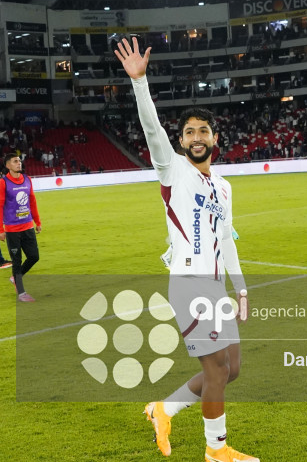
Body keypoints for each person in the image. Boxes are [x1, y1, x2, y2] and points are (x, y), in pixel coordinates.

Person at [115, 37, 256, 462]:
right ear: (181, 140)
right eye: (190, 132)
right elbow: (151, 129)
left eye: (203, 131)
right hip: (189, 284)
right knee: (215, 370)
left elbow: (227, 239)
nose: (197, 138)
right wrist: (140, 83)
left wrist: (242, 289)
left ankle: (164, 408)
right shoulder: (172, 168)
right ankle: (217, 451)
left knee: (231, 369)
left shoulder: (225, 187)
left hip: (215, 286)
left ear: (215, 137)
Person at [0, 153, 41, 302]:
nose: (18, 163)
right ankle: (21, 292)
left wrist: (37, 221)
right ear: (8, 165)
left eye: (19, 161)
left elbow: (32, 201)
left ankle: (15, 277)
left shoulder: (27, 179)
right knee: (16, 260)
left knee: (34, 256)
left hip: (27, 226)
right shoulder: (3, 183)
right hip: (12, 229)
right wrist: (0, 229)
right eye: (15, 161)